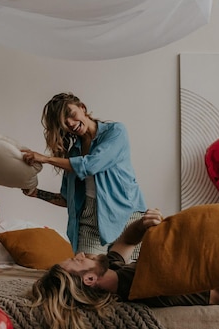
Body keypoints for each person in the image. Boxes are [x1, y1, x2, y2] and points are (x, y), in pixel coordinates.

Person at [28, 209, 219, 329]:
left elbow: (127, 241)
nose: (80, 254)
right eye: (77, 262)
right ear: (90, 279)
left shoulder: (110, 272)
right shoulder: (145, 285)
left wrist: (142, 224)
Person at [21, 92, 147, 257]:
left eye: (71, 115)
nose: (71, 124)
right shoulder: (73, 153)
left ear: (83, 108)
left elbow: (91, 165)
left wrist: (46, 159)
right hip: (89, 221)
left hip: (126, 216)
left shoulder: (115, 132)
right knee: (86, 276)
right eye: (64, 123)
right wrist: (36, 193)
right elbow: (67, 199)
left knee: (126, 277)